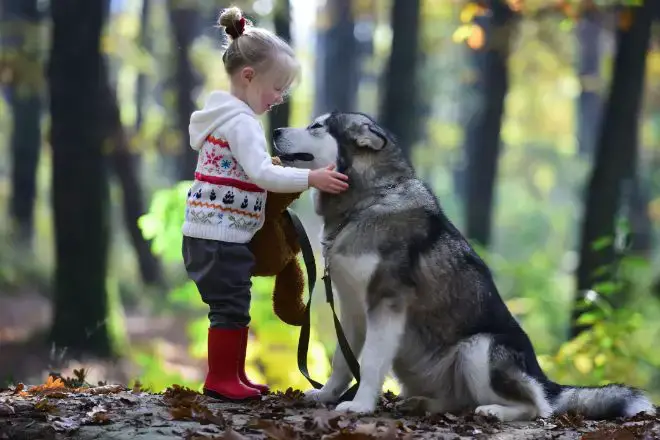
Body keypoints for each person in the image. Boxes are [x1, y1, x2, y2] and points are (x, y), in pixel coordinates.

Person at [181, 6, 349, 402]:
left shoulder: (223, 116)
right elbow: (262, 174)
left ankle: (231, 375)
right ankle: (221, 379)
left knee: (233, 305)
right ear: (249, 76)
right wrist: (311, 177)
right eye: (277, 87)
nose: (279, 97)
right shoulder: (240, 123)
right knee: (229, 307)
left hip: (212, 231)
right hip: (217, 235)